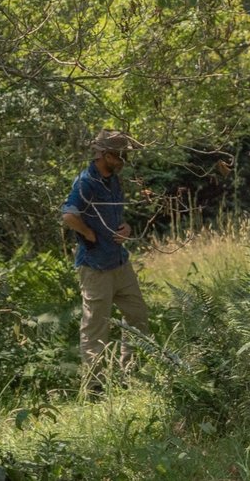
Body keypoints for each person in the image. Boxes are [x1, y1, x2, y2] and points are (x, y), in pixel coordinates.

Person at [61, 129, 151, 390]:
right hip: (95, 267)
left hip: (120, 262)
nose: (123, 160)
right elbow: (68, 215)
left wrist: (126, 229)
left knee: (138, 316)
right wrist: (88, 234)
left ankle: (130, 376)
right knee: (95, 329)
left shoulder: (113, 180)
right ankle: (94, 388)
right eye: (119, 156)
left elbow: (115, 216)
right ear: (104, 154)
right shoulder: (84, 182)